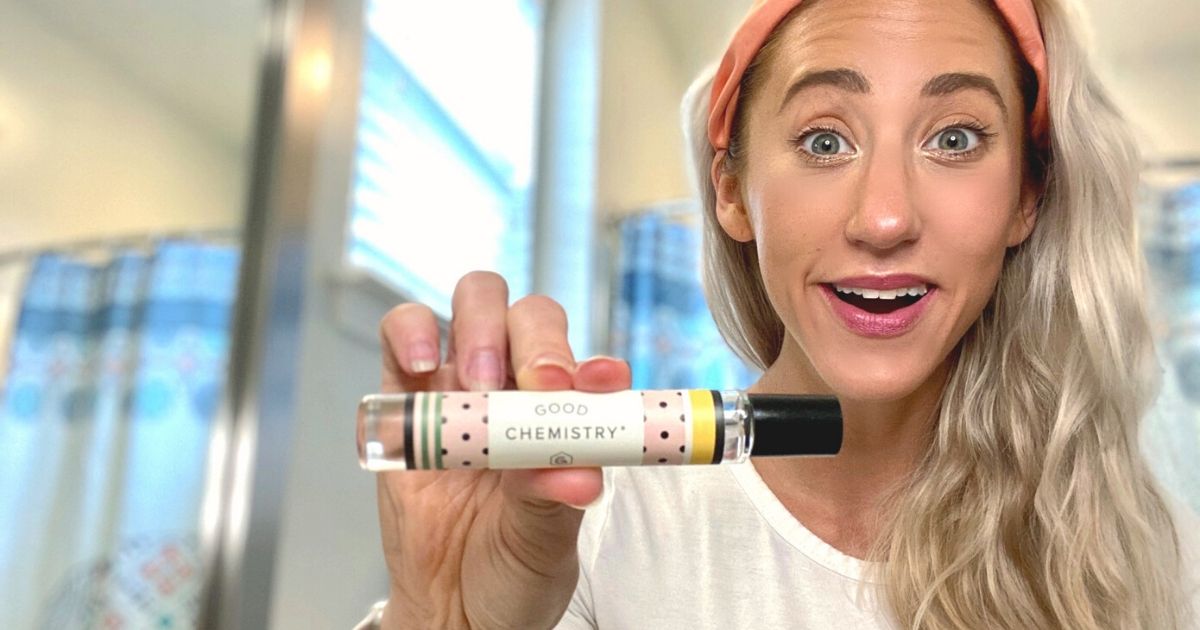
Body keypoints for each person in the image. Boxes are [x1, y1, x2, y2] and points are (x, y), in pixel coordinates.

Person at [362, 0, 1200, 627]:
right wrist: (440, 623)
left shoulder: (1146, 562)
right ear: (732, 191)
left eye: (954, 139)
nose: (884, 218)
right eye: (825, 140)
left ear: (1026, 198)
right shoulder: (585, 527)